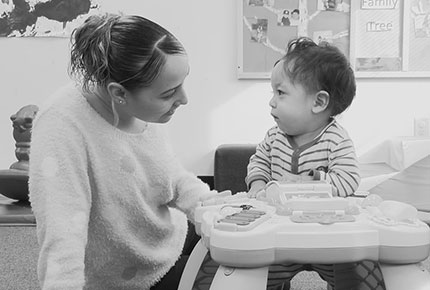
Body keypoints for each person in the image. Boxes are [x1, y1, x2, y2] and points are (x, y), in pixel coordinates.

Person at [29, 13, 228, 290]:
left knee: (259, 260)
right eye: (169, 93)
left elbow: (171, 177)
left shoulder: (134, 108)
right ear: (119, 92)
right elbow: (63, 232)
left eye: (182, 84)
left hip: (165, 243)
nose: (184, 99)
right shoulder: (62, 126)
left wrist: (211, 206)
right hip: (130, 278)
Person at [245, 37, 383, 290]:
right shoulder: (274, 136)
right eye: (272, 92)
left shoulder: (335, 139)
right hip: (280, 234)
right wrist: (257, 184)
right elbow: (259, 162)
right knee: (256, 273)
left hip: (328, 236)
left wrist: (311, 181)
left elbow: (348, 179)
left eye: (281, 92)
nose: (271, 101)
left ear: (318, 102)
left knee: (357, 275)